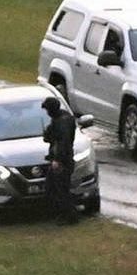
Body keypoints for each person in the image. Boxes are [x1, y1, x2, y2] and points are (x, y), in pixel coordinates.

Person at [41, 95, 78, 224]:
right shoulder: (65, 118)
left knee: (61, 190)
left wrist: (57, 160)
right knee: (54, 188)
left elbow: (63, 143)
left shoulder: (61, 122)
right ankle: (61, 214)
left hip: (62, 161)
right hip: (64, 159)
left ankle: (69, 216)